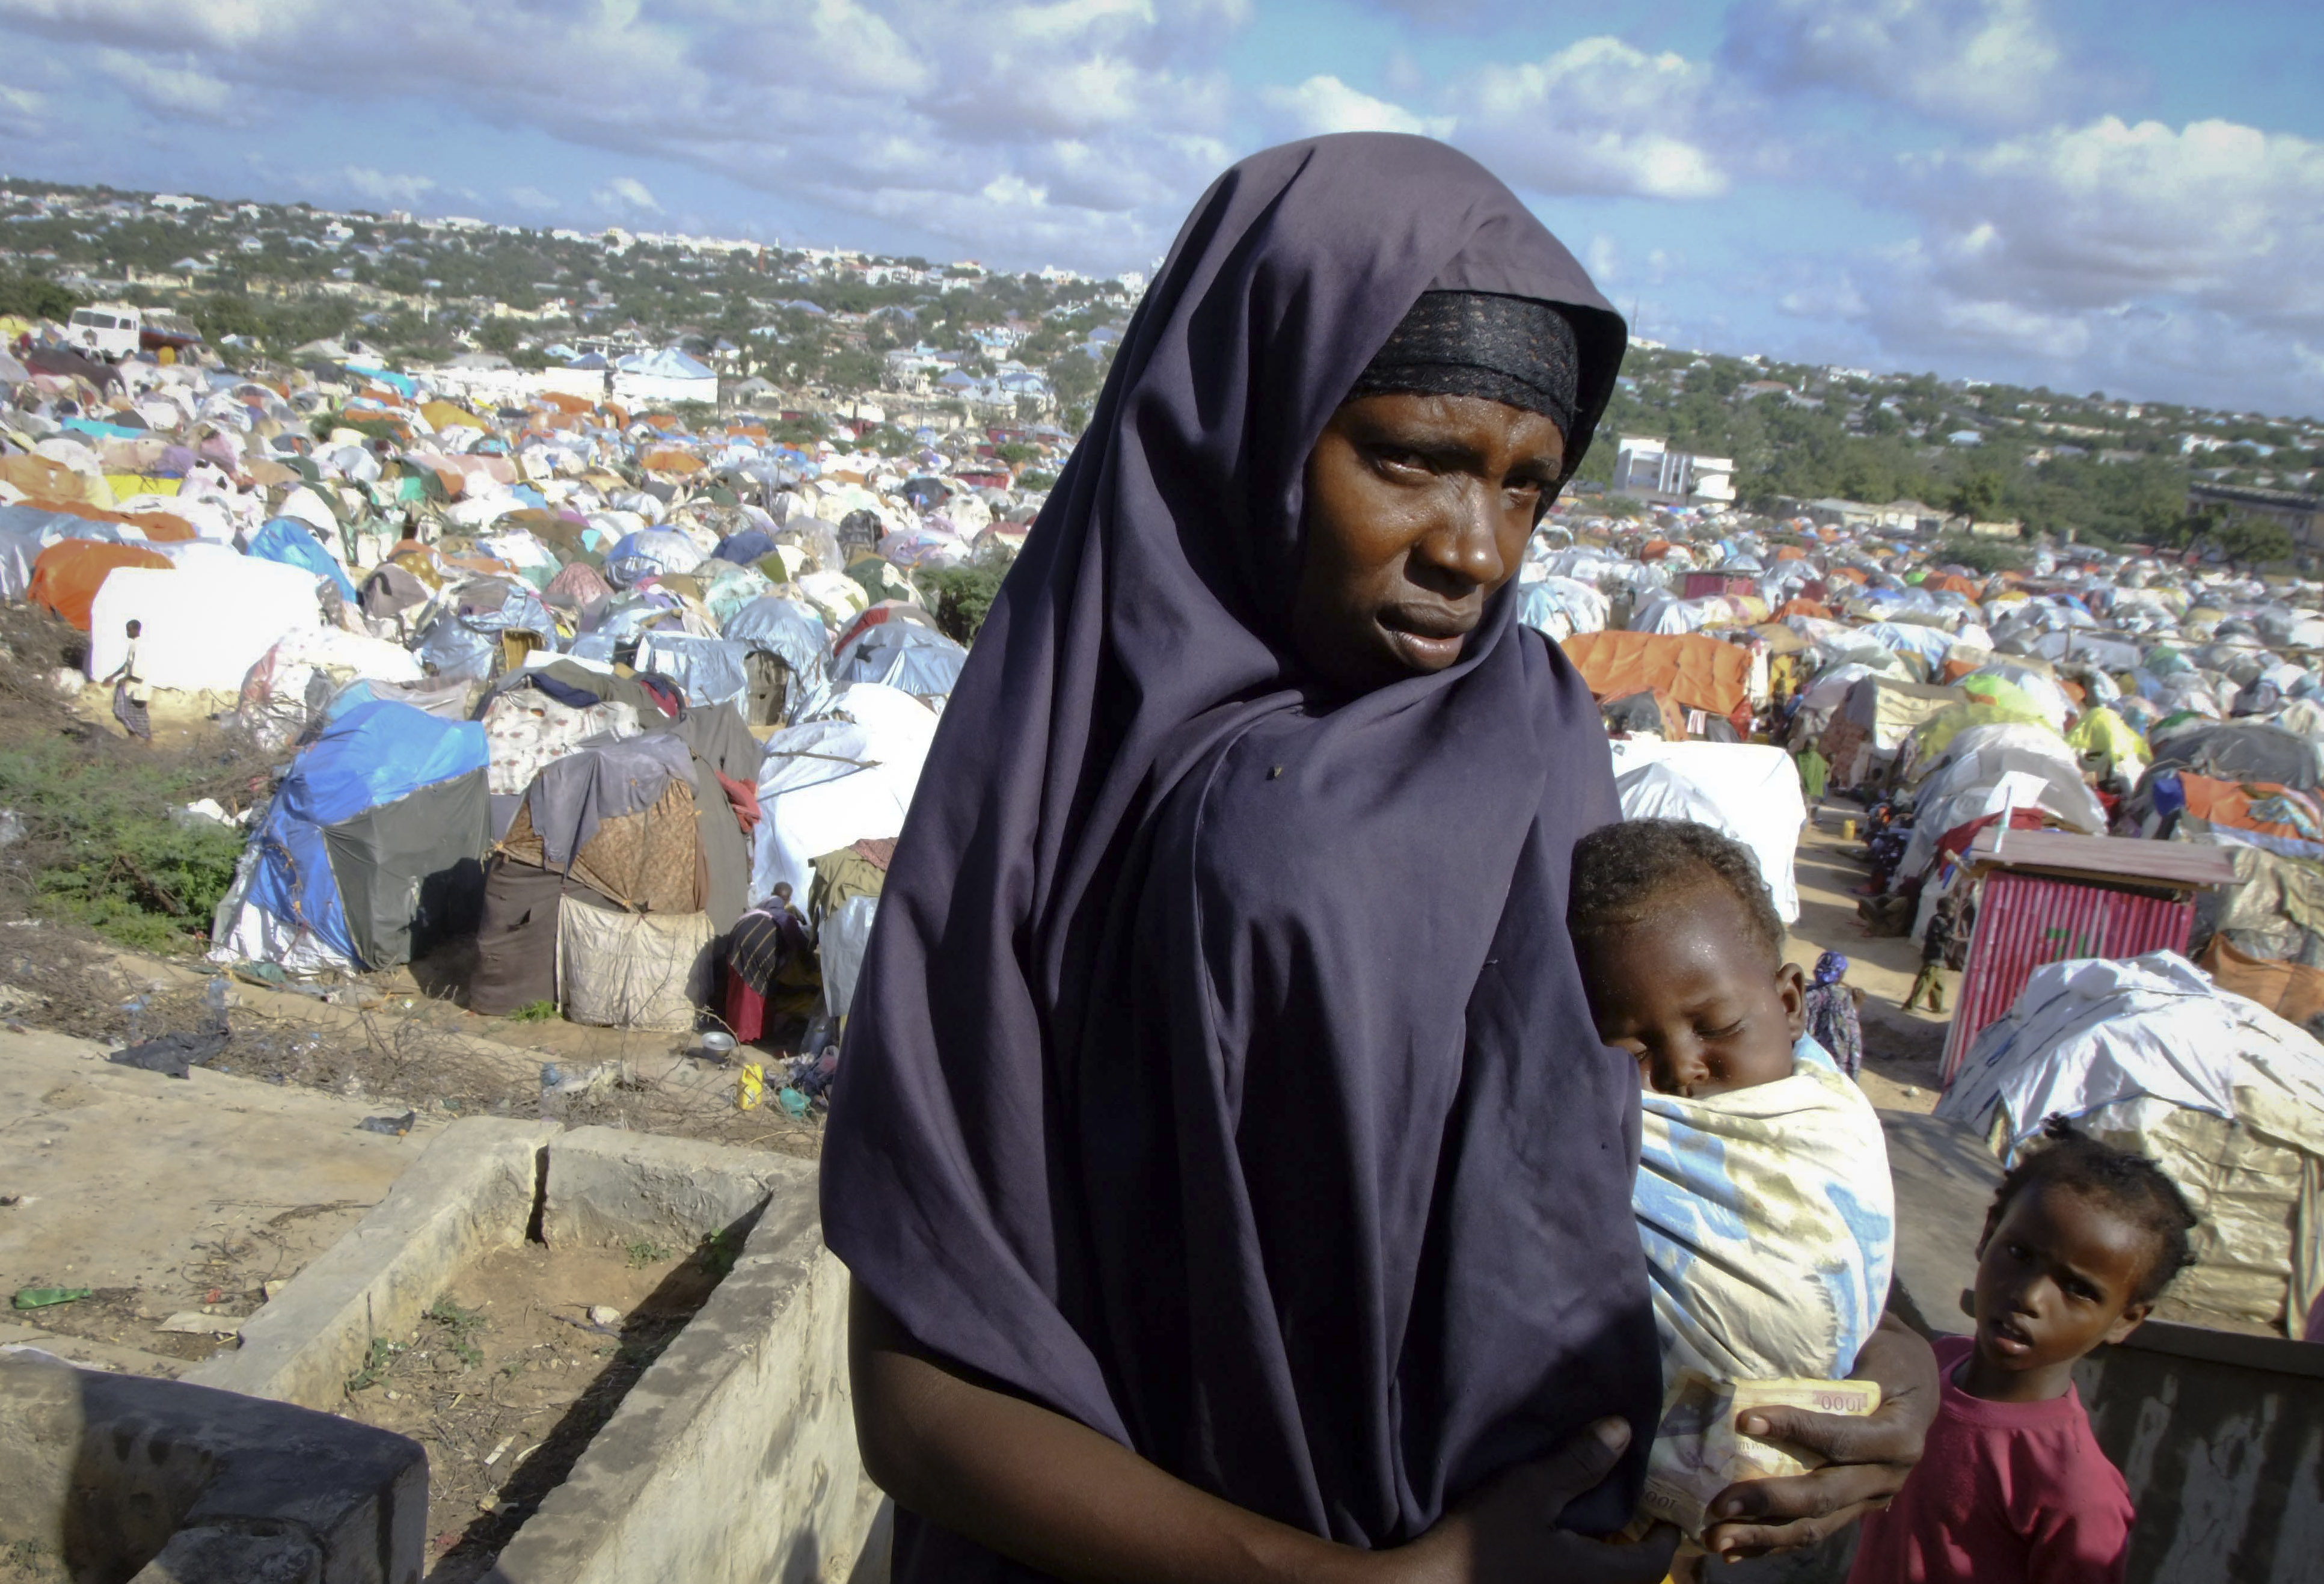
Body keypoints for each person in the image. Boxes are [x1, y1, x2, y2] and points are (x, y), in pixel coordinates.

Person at [821, 134, 1937, 1584]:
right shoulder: (1041, 789)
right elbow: (914, 1401)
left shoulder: (1532, 742)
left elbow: (1659, 1129)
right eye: (1410, 460)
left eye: (1528, 486)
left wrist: (1888, 1354)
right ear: (1243, 413)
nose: (1475, 549)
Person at [1569, 821, 1895, 1567]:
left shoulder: (1826, 1118)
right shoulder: (1609, 1130)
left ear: (1788, 1002)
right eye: (1633, 1050)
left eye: (1715, 1026)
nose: (1682, 1068)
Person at [1847, 1117, 2199, 1583]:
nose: (2030, 1296)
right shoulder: (1931, 1368)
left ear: (2125, 1319)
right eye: (2018, 1254)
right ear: (1987, 1233)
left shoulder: (2077, 1492)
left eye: (2077, 1288)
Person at [1803, 950, 1866, 1078]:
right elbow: (1850, 1030)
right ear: (1840, 975)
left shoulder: (1804, 994)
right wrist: (1858, 1004)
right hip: (1832, 1064)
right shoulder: (1842, 998)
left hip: (1805, 1058)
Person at [1904, 897, 1957, 1013]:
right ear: (1943, 910)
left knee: (1938, 985)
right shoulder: (1937, 920)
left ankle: (1937, 1007)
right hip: (1933, 958)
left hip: (1939, 959)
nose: (1952, 914)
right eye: (1951, 911)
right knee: (1924, 983)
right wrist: (1954, 924)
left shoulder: (1941, 921)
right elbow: (1946, 935)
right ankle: (1909, 1006)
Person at [102, 619, 151, 742]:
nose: (127, 632)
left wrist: (125, 679)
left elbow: (138, 668)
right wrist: (113, 676)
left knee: (139, 715)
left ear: (135, 630)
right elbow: (128, 665)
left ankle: (148, 739)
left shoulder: (140, 646)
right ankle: (133, 736)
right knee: (121, 711)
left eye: (129, 630)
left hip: (138, 685)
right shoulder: (133, 645)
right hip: (130, 685)